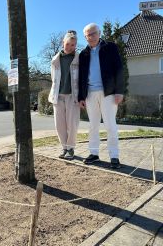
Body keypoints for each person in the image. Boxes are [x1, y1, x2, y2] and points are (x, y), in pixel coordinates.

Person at [78, 23, 124, 169]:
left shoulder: (110, 48)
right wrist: (81, 97)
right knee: (93, 125)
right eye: (87, 35)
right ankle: (94, 153)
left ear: (99, 33)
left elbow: (119, 69)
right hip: (90, 94)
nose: (91, 37)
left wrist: (119, 91)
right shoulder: (83, 54)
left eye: (93, 33)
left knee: (110, 125)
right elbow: (81, 77)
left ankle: (114, 156)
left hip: (108, 93)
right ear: (85, 37)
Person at [48, 30, 80, 160]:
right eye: (68, 44)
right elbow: (53, 78)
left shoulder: (78, 59)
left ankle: (71, 148)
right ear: (63, 43)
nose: (70, 47)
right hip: (58, 96)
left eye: (73, 45)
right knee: (59, 124)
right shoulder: (55, 60)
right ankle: (64, 148)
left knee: (72, 124)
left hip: (73, 96)